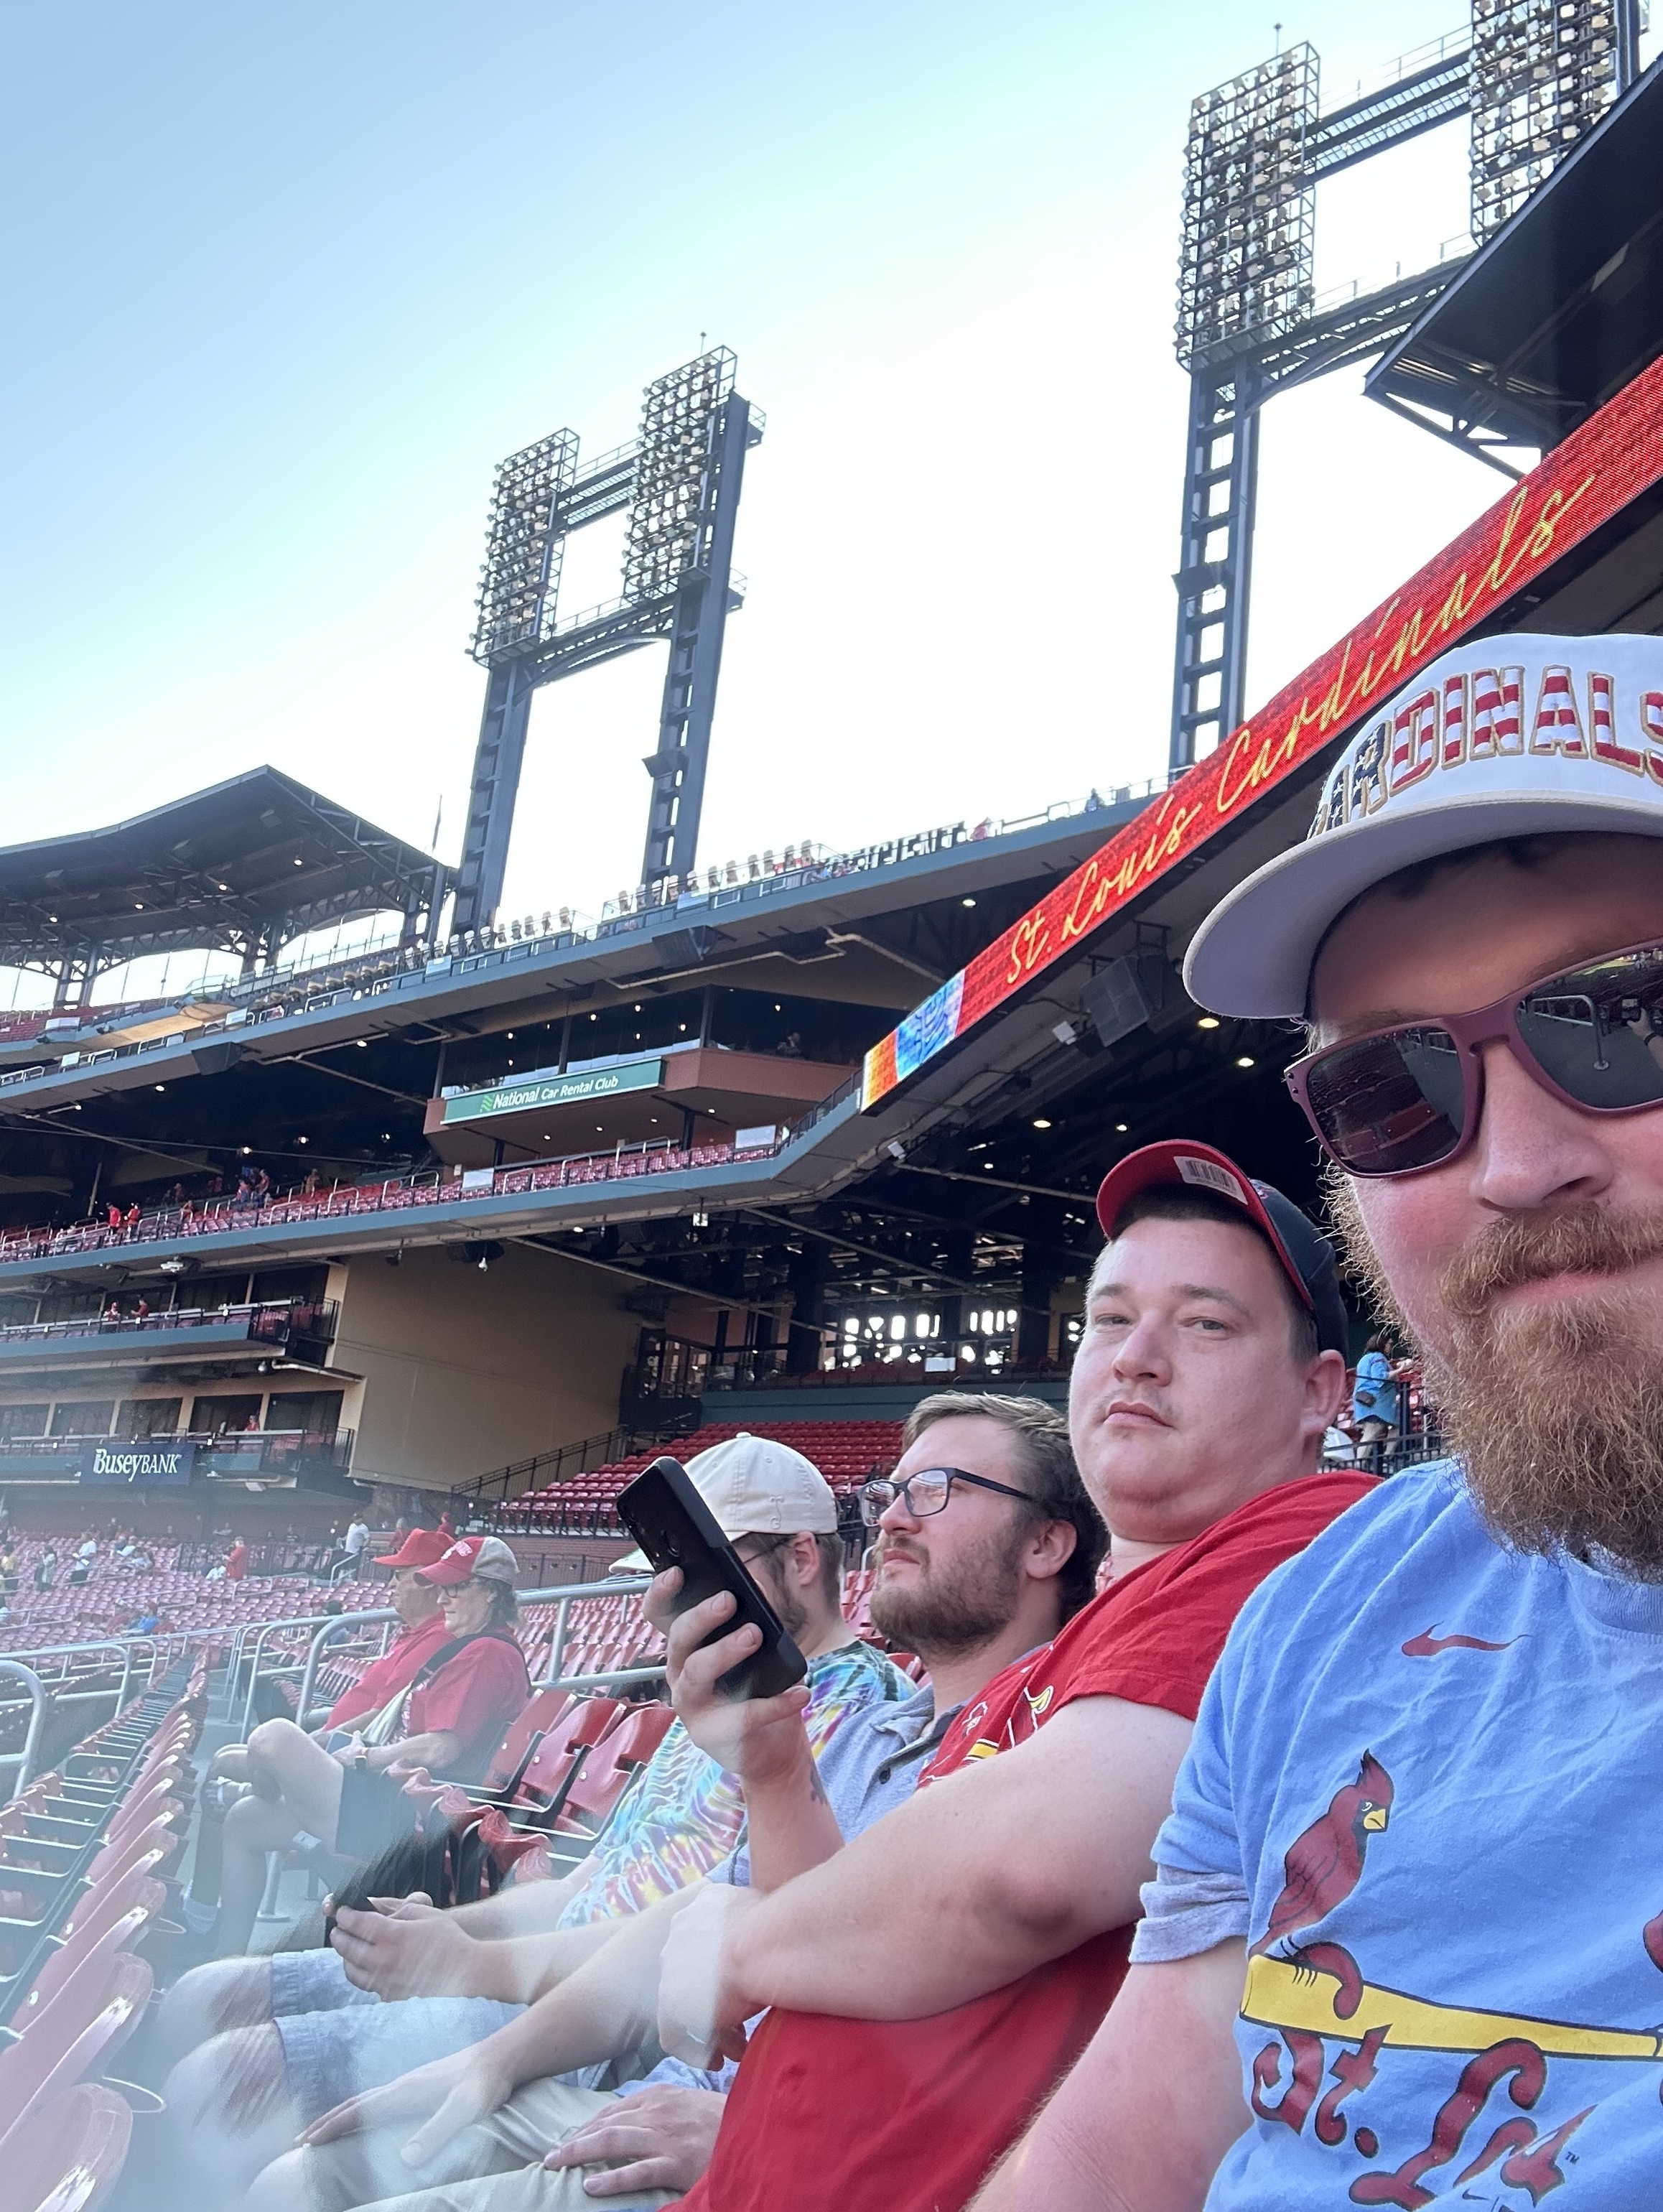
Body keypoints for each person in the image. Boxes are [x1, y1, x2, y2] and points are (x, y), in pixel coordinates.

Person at [978, 631, 1663, 2211]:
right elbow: (1120, 2151)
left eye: (1625, 1018)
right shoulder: (1325, 1614)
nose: (1514, 1166)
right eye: (1392, 1092)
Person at [235, 1395, 1104, 2212]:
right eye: (892, 1490)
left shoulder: (1041, 1762)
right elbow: (697, 1912)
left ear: (1047, 1543)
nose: (892, 1516)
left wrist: (475, 1964)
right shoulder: (861, 1730)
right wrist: (490, 2044)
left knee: (253, 2100)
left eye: (937, 1489)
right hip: (644, 2079)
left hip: (735, 2125)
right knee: (289, 2161)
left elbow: (968, 2061)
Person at [157, 1435, 910, 2199]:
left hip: (590, 2027)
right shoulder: (717, 1697)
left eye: (706, 1572)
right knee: (204, 2001)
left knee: (222, 2083)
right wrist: (460, 1930)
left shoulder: (848, 1716)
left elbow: (724, 1931)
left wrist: (476, 1963)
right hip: (534, 1981)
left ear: (805, 1559)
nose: (675, 1598)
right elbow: (591, 1881)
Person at [210, 1535, 533, 1956]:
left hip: (407, 1818)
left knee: (272, 1738)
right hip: (395, 1800)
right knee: (243, 1822)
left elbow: (443, 1749)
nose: (445, 1597)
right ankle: (224, 1959)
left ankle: (264, 1783)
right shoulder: (474, 1647)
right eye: (442, 1587)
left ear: (491, 1592)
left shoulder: (487, 1653)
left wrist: (365, 1756)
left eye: (456, 1588)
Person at [1348, 1329, 1399, 1474]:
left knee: (1395, 1426)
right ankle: (1360, 1466)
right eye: (1389, 1344)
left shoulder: (1364, 1359)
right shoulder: (1378, 1358)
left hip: (1365, 1402)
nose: (1390, 1347)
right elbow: (1381, 1378)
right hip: (1376, 1403)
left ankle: (1386, 1457)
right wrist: (1400, 1370)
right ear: (1382, 1344)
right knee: (1371, 1433)